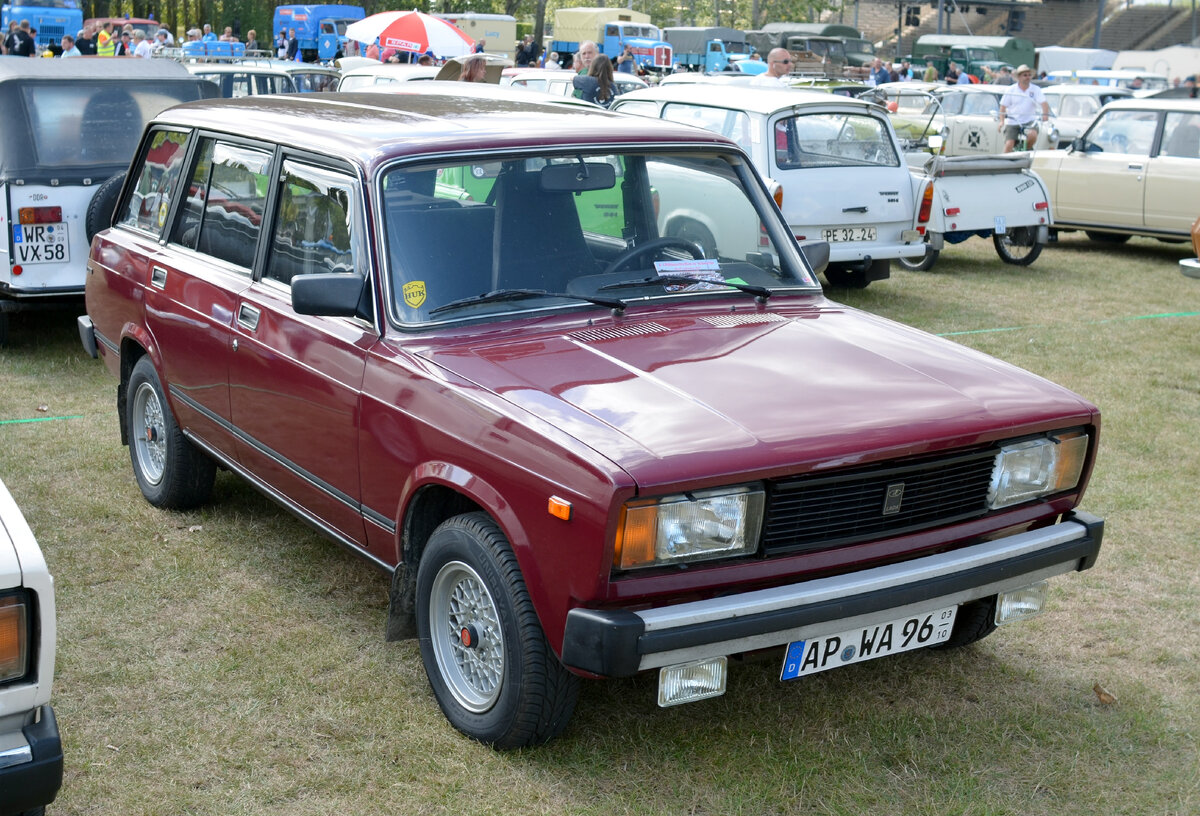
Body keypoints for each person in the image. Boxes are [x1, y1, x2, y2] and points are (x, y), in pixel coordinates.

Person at [998, 65, 1050, 152]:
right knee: (1009, 144)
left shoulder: (1035, 89)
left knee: (1033, 135)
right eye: (1025, 75)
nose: (1027, 77)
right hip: (1013, 120)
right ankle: (1004, 163)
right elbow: (1003, 106)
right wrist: (1001, 121)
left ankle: (1026, 150)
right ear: (1019, 77)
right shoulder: (1011, 89)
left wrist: (1045, 117)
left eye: (1029, 75)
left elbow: (1044, 104)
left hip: (1029, 121)